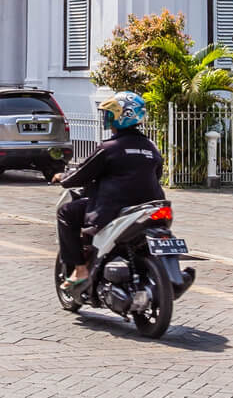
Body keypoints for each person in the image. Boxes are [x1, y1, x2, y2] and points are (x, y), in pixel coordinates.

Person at [52, 90, 164, 296]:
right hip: (151, 207)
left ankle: (80, 269)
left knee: (66, 212)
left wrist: (63, 177)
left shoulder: (109, 148)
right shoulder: (151, 147)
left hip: (112, 209)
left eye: (111, 113)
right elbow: (157, 174)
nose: (108, 118)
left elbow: (81, 175)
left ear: (121, 116)